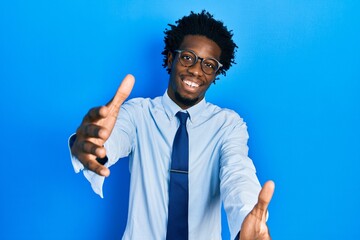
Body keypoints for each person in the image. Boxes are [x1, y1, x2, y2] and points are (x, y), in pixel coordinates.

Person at [70, 10, 275, 240]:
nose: (197, 70)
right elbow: (110, 140)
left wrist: (246, 218)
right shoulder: (139, 114)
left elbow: (237, 173)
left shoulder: (228, 125)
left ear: (216, 73)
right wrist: (89, 144)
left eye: (209, 64)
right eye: (188, 57)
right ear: (170, 58)